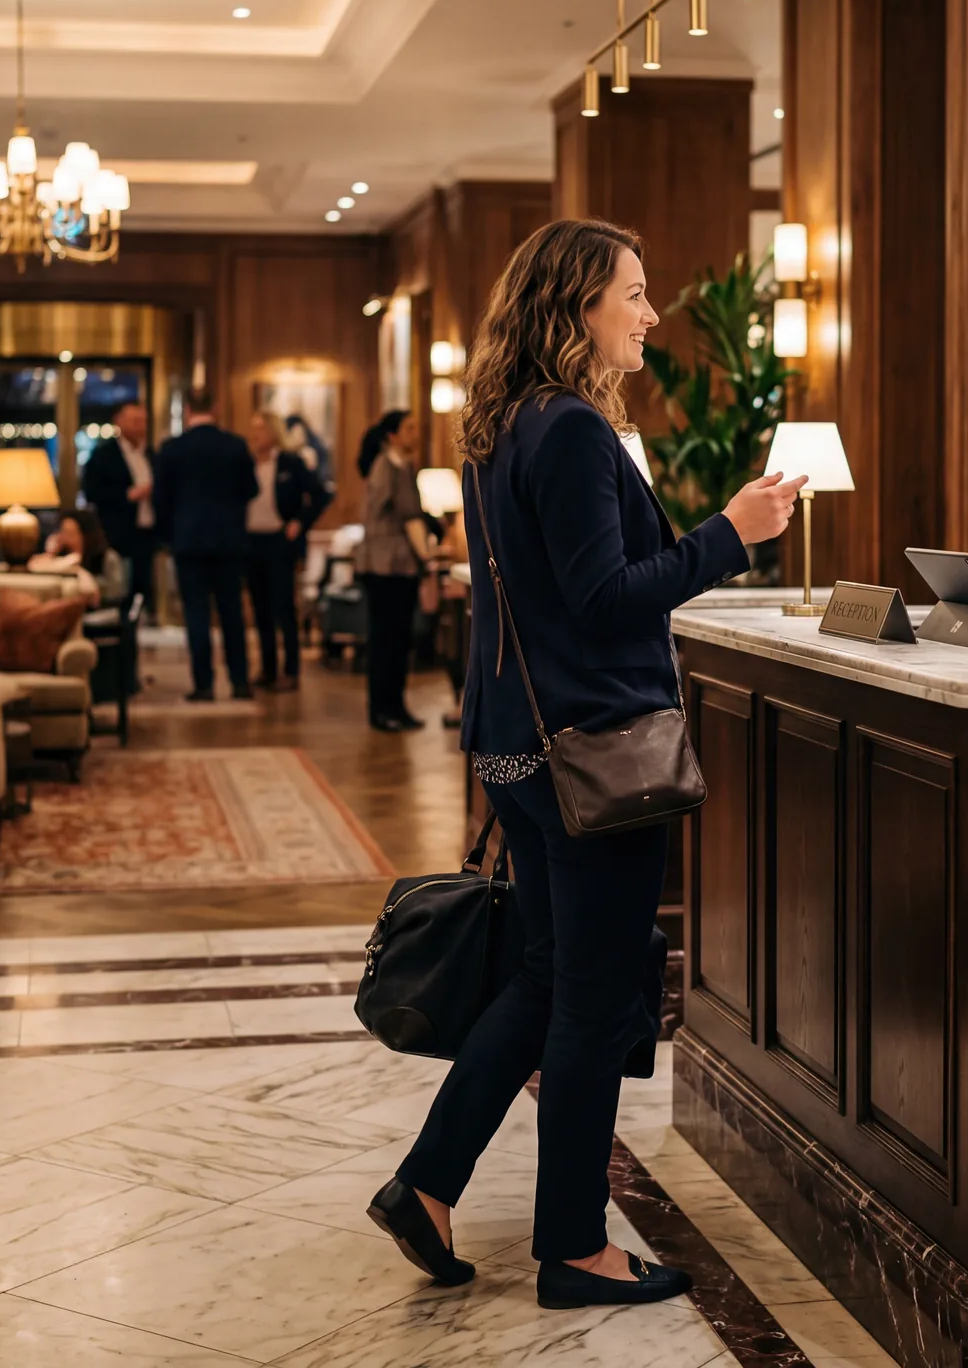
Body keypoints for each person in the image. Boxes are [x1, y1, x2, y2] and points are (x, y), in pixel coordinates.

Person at [364, 219, 804, 1308]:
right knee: (594, 999)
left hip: (520, 742)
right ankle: (573, 1246)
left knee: (553, 972)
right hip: (590, 751)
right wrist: (731, 532)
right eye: (635, 294)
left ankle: (427, 1184)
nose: (651, 314)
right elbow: (604, 598)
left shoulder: (504, 422)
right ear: (578, 306)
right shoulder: (566, 427)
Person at [155, 389, 259, 701]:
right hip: (229, 541)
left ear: (188, 410)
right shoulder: (235, 446)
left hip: (188, 542)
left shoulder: (172, 449)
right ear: (216, 408)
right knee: (232, 613)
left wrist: (169, 536)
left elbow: (161, 499)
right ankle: (239, 681)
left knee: (196, 614)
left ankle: (204, 684)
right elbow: (251, 489)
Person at [357, 408, 429, 731]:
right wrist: (425, 551)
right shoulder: (385, 467)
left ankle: (397, 706)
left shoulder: (403, 466)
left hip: (400, 566)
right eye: (409, 428)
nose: (415, 434)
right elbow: (405, 514)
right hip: (384, 567)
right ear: (393, 436)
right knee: (384, 640)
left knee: (400, 640)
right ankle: (382, 709)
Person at [247, 411, 329, 692]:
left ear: (273, 432)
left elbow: (321, 494)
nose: (255, 435)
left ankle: (291, 670)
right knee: (260, 608)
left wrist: (299, 522)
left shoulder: (290, 463)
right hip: (251, 541)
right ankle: (268, 668)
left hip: (279, 541)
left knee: (283, 606)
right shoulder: (246, 463)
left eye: (260, 429)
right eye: (253, 429)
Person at [82, 400, 159, 619]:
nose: (140, 426)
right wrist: (128, 495)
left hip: (148, 530)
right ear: (119, 422)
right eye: (135, 420)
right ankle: (123, 624)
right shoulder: (103, 456)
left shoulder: (151, 454)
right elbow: (92, 492)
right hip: (117, 533)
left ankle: (139, 620)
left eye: (143, 421)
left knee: (144, 584)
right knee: (121, 588)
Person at [29, 508, 126, 608]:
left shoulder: (107, 557)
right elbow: (33, 568)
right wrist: (50, 554)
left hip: (100, 611)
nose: (65, 538)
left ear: (86, 536)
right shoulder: (61, 559)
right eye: (63, 532)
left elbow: (115, 593)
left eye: (71, 534)